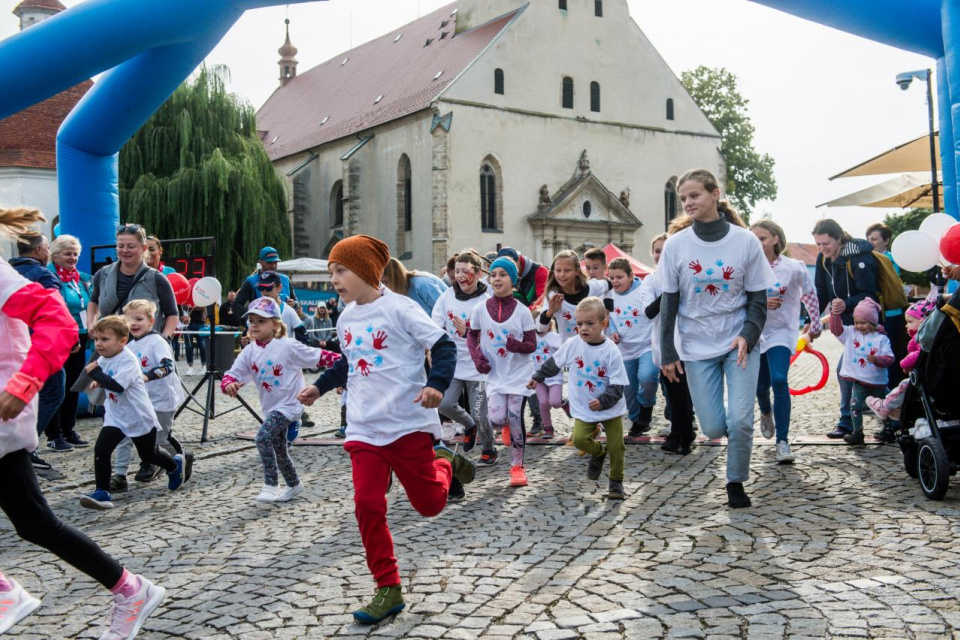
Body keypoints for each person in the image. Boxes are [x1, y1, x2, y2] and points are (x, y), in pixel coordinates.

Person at [0, 206, 166, 640]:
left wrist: (24, 383)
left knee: (37, 522)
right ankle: (130, 589)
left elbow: (55, 319)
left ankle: (129, 589)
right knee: (35, 524)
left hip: (4, 413)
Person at [297, 235, 474, 625]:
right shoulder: (345, 317)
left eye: (341, 270)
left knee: (430, 505)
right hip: (363, 428)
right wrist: (319, 386)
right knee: (367, 505)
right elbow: (349, 362)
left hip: (407, 423)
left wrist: (436, 385)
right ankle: (387, 587)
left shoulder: (400, 308)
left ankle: (445, 462)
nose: (335, 280)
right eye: (331, 272)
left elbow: (443, 346)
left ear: (365, 271)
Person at [659, 169, 775, 509]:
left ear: (715, 194)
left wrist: (748, 335)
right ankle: (729, 439)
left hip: (738, 343)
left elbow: (757, 299)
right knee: (711, 427)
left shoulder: (745, 241)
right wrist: (668, 350)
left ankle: (735, 481)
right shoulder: (677, 246)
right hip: (696, 345)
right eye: (683, 198)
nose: (688, 203)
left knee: (740, 419)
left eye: (694, 195)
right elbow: (669, 301)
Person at [222, 297, 339, 502]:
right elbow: (232, 374)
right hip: (271, 406)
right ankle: (294, 484)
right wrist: (229, 385)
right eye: (252, 321)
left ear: (275, 324)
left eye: (261, 321)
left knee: (262, 437)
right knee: (279, 449)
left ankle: (271, 484)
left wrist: (344, 368)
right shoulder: (249, 350)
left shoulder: (288, 346)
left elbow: (321, 356)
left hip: (291, 404)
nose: (255, 325)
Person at [79, 316, 188, 510]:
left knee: (149, 454)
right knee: (101, 450)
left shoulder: (128, 359)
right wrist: (99, 380)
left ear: (122, 341)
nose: (99, 344)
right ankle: (102, 492)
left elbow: (118, 386)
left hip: (138, 416)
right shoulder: (104, 358)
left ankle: (173, 466)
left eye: (105, 339)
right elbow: (107, 377)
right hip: (116, 415)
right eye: (96, 339)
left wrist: (95, 374)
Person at [529, 297, 628, 499]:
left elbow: (618, 386)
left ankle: (616, 483)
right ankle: (599, 452)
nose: (583, 328)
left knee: (617, 446)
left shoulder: (611, 351)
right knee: (581, 441)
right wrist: (538, 376)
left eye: (590, 324)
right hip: (584, 406)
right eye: (580, 323)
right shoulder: (572, 344)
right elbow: (554, 363)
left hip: (610, 407)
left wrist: (602, 401)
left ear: (603, 324)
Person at [750, 220, 822, 464]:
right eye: (754, 239)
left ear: (775, 239)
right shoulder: (747, 267)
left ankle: (783, 441)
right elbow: (735, 299)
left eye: (762, 238)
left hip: (781, 331)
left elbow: (809, 293)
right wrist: (759, 304)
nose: (757, 243)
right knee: (760, 388)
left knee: (779, 380)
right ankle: (766, 411)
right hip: (754, 332)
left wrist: (816, 322)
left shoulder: (793, 267)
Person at [467, 256, 537, 487]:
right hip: (495, 374)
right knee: (496, 419)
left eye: (503, 275)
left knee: (516, 415)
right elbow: (471, 335)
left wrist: (516, 345)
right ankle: (504, 424)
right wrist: (478, 358)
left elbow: (532, 345)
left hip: (518, 373)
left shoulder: (522, 311)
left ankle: (517, 466)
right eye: (493, 275)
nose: (497, 279)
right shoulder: (479, 309)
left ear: (513, 281)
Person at [109, 300, 191, 494]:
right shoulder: (127, 343)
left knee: (160, 438)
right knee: (125, 435)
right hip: (138, 400)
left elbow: (167, 366)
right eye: (129, 320)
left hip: (161, 399)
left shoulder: (157, 341)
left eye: (139, 319)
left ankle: (181, 458)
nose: (134, 324)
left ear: (151, 321)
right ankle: (120, 475)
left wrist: (147, 376)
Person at [812, 219, 883, 439]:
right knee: (850, 373)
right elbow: (821, 292)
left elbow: (870, 294)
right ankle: (851, 423)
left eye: (826, 244)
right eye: (818, 244)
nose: (823, 249)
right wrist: (811, 319)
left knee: (851, 373)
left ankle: (851, 423)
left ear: (839, 238)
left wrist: (846, 303)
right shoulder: (823, 260)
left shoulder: (859, 258)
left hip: (865, 327)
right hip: (848, 327)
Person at [431, 250, 492, 474]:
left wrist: (468, 333)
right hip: (454, 363)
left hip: (479, 367)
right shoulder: (446, 297)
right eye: (457, 271)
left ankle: (489, 449)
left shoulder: (486, 302)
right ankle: (469, 426)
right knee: (445, 404)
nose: (460, 276)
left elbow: (493, 336)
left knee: (480, 413)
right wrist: (433, 345)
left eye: (465, 272)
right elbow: (435, 323)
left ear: (477, 273)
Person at [10, 232, 67, 469]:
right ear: (38, 250)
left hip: (12, 346)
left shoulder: (8, 272)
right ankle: (25, 448)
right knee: (53, 391)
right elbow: (55, 310)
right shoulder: (43, 275)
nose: (48, 252)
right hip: (38, 345)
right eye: (46, 247)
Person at [642, 228, 696, 455]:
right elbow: (649, 312)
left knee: (684, 390)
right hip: (664, 342)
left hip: (688, 341)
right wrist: (671, 291)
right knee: (673, 391)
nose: (660, 254)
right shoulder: (650, 280)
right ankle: (680, 433)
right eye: (656, 251)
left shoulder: (687, 276)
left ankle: (683, 433)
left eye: (665, 250)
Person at [87, 224, 179, 338]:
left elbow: (172, 314)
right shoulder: (102, 275)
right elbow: (94, 301)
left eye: (131, 246)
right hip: (111, 349)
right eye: (120, 246)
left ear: (143, 248)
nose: (125, 250)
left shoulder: (157, 279)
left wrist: (164, 338)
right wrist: (91, 323)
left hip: (145, 350)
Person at [46, 234, 93, 452]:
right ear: (55, 255)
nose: (72, 257)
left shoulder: (81, 278)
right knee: (58, 386)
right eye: (68, 253)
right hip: (58, 337)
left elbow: (93, 302)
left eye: (75, 254)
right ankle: (54, 434)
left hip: (80, 335)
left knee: (74, 384)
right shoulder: (49, 276)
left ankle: (69, 429)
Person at [828, 298, 893, 445]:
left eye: (863, 323)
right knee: (855, 406)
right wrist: (835, 313)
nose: (859, 326)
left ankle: (888, 430)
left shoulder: (881, 339)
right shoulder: (851, 333)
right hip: (859, 381)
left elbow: (890, 358)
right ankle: (858, 432)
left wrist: (878, 360)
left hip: (878, 382)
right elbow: (836, 329)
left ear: (872, 323)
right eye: (856, 322)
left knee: (882, 407)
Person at [607, 257, 658, 437]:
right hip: (625, 349)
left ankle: (646, 407)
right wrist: (612, 331)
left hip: (647, 344)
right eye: (611, 278)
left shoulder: (642, 290)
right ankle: (637, 420)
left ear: (630, 276)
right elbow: (609, 319)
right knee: (628, 389)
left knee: (648, 376)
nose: (615, 281)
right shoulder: (609, 296)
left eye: (619, 277)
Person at [866, 299, 937, 421]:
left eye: (910, 322)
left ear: (923, 322)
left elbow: (919, 354)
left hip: (927, 376)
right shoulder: (924, 336)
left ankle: (885, 406)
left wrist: (904, 364)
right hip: (929, 375)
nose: (906, 325)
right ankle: (897, 409)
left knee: (904, 386)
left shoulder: (925, 337)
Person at [529, 313, 563, 440]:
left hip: (554, 376)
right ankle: (548, 427)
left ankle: (563, 402)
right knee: (543, 403)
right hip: (538, 376)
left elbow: (564, 351)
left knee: (555, 402)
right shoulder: (531, 337)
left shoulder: (554, 337)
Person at [382, 257, 447, 316]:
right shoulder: (398, 293)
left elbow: (444, 310)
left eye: (385, 282)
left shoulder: (422, 284)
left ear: (396, 278)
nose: (383, 287)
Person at [181, 302, 207, 376]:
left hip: (200, 323)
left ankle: (204, 365)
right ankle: (190, 367)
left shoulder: (199, 293)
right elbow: (183, 306)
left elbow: (203, 305)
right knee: (188, 346)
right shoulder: (187, 295)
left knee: (202, 345)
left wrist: (192, 306)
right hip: (188, 324)